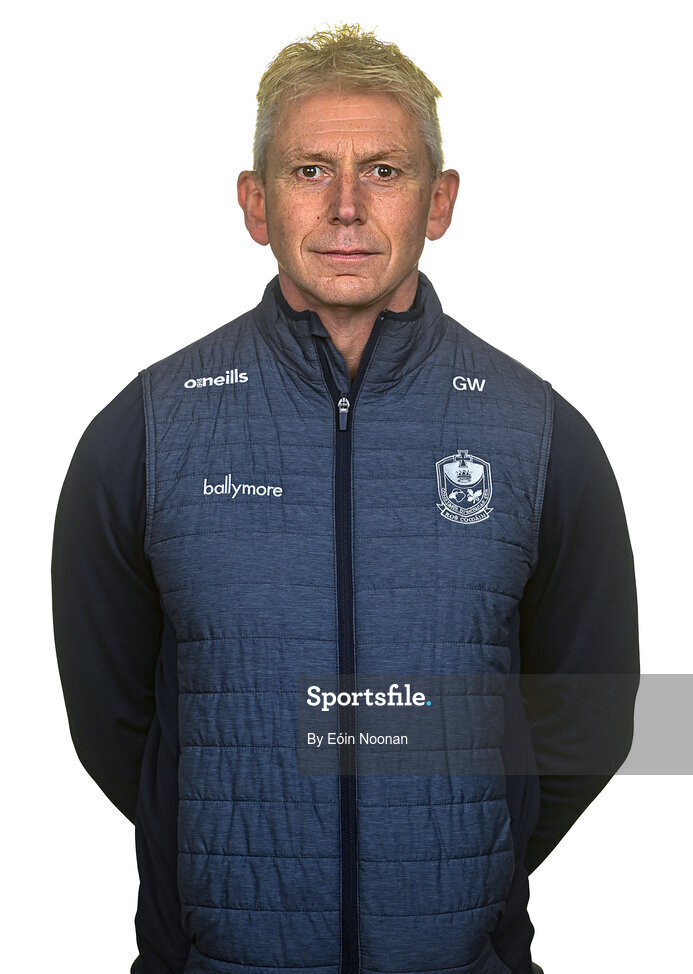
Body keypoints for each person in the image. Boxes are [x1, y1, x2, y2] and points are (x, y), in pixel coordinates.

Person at [51, 23, 639, 974]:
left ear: (439, 201)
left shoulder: (538, 437)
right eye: (311, 170)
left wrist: (462, 853)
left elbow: (596, 712)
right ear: (255, 204)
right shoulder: (147, 433)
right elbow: (116, 726)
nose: (347, 208)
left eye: (385, 171)